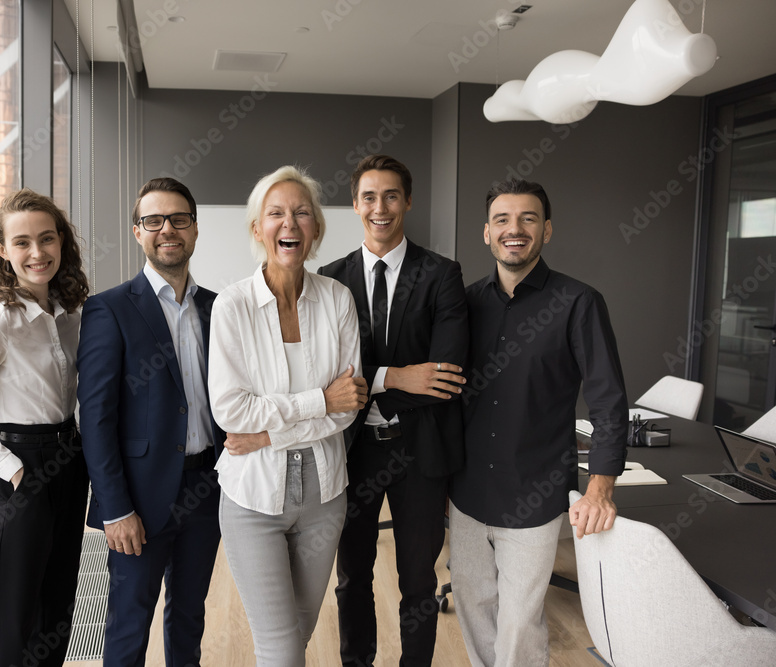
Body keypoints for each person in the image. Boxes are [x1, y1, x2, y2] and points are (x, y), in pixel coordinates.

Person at [449, 177, 628, 667]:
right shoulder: (464, 303)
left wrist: (600, 488)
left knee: (519, 622)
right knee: (472, 601)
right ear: (487, 232)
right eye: (502, 220)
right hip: (467, 490)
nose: (515, 229)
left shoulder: (579, 302)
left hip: (535, 490)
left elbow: (609, 400)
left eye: (528, 219)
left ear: (546, 230)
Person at [208, 165, 367, 666]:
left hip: (325, 494)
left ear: (316, 228)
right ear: (258, 229)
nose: (289, 223)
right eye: (275, 213)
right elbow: (231, 411)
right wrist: (319, 401)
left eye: (301, 213)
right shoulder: (232, 306)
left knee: (297, 634)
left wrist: (267, 434)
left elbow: (349, 406)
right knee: (280, 647)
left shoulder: (338, 299)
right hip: (253, 497)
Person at [319, 153, 469, 667]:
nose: (379, 208)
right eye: (369, 197)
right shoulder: (330, 279)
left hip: (419, 450)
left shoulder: (441, 274)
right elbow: (325, 376)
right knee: (352, 576)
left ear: (407, 201)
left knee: (419, 580)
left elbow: (445, 376)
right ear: (354, 205)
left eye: (390, 196)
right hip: (353, 450)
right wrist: (399, 376)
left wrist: (366, 380)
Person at [77, 177, 224, 667]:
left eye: (178, 219)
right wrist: (115, 508)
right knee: (128, 623)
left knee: (189, 616)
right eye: (154, 220)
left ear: (195, 229)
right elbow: (95, 419)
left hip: (208, 488)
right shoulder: (109, 308)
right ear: (137, 231)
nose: (167, 230)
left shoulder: (218, 307)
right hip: (138, 499)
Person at [0, 188, 90, 667]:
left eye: (46, 239)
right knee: (13, 625)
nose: (37, 252)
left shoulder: (72, 315)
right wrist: (14, 471)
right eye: (22, 242)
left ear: (61, 242)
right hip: (21, 470)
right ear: (2, 250)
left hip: (70, 465)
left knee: (57, 614)